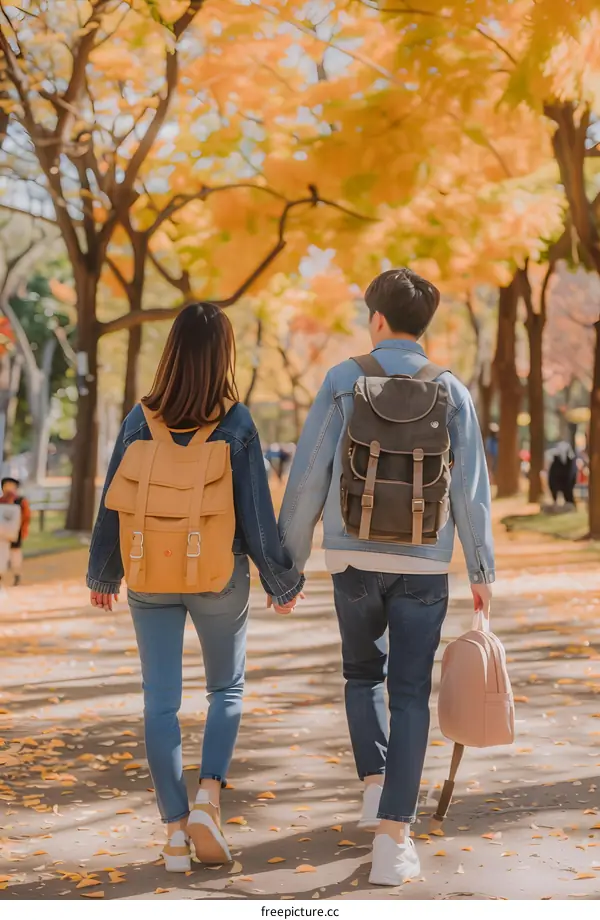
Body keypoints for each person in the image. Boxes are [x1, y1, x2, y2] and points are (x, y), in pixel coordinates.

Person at [279, 268, 494, 886]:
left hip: (352, 559)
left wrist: (287, 567)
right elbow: (470, 490)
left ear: (376, 319)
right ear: (423, 326)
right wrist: (480, 571)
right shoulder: (451, 389)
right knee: (409, 693)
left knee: (360, 673)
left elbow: (310, 474)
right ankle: (393, 838)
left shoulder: (344, 379)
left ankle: (375, 786)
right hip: (425, 565)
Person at [87, 302, 304, 873]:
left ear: (172, 352)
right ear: (224, 355)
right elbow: (256, 516)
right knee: (224, 691)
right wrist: (280, 580)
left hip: (150, 574)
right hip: (217, 575)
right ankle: (209, 798)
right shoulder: (235, 422)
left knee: (159, 702)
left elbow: (113, 498)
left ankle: (175, 834)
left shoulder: (140, 418)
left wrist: (103, 572)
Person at [0, 477, 31, 586]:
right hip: (2, 533)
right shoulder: (1, 501)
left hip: (16, 532)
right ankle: (1, 573)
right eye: (6, 485)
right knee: (2, 553)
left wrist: (23, 530)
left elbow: (26, 516)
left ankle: (17, 574)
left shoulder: (20, 501)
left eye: (11, 486)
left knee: (15, 554)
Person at [547, 441, 577, 509]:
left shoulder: (570, 460)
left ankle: (570, 505)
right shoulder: (556, 460)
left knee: (568, 495)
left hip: (567, 481)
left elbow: (572, 473)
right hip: (558, 480)